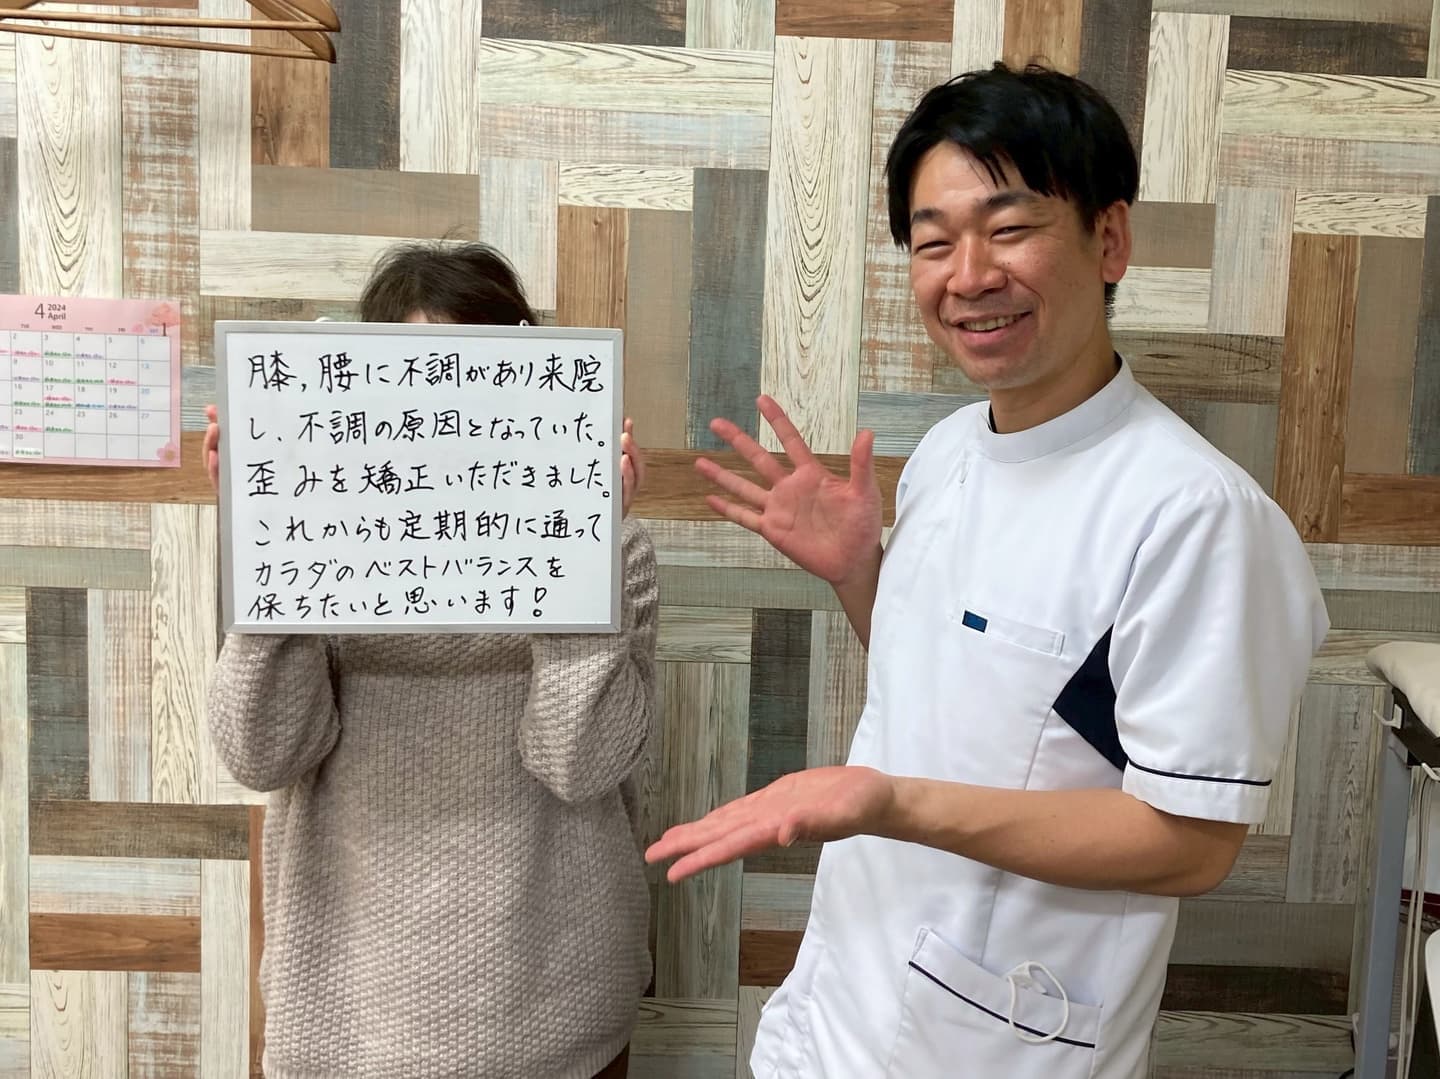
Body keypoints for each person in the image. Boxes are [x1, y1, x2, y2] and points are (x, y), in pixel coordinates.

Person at [645, 63, 1329, 1078]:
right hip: (837, 1012)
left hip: (998, 1039)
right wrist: (860, 576)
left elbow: (1193, 841)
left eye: (1009, 229)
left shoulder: (1196, 517)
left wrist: (890, 803)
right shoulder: (951, 451)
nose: (968, 275)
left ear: (1109, 239)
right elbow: (982, 697)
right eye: (933, 242)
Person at [204, 240, 658, 1079]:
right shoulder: (309, 533)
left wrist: (583, 548)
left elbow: (581, 763)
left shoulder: (617, 548)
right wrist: (267, 537)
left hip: (560, 1004)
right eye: (412, 382)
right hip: (346, 1013)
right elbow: (260, 751)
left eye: (474, 380)